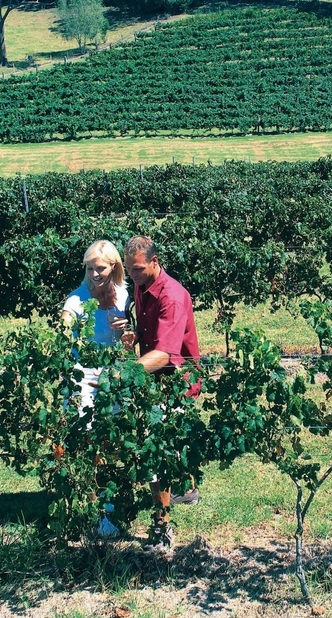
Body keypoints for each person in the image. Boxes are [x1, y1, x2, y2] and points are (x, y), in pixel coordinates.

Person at [123, 235, 201, 552]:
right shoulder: (142, 288)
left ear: (155, 262)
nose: (133, 276)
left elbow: (166, 355)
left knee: (154, 455)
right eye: (129, 270)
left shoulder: (172, 296)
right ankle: (188, 491)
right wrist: (133, 334)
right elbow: (149, 335)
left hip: (176, 380)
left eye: (138, 269)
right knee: (164, 447)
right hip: (156, 377)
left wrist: (123, 374)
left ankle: (162, 529)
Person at [61, 239, 129, 540]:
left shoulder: (124, 296)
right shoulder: (76, 300)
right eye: (89, 269)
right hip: (82, 376)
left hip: (112, 377)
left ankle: (104, 499)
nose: (94, 274)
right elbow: (63, 332)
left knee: (108, 441)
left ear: (113, 267)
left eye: (100, 268)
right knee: (86, 442)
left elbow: (132, 335)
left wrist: (127, 330)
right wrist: (67, 339)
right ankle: (94, 512)